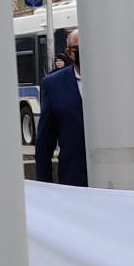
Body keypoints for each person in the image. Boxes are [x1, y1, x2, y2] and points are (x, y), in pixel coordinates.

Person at [33, 28, 87, 186]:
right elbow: (45, 137)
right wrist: (44, 183)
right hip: (74, 177)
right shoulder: (53, 84)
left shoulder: (118, 77)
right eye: (78, 49)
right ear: (69, 52)